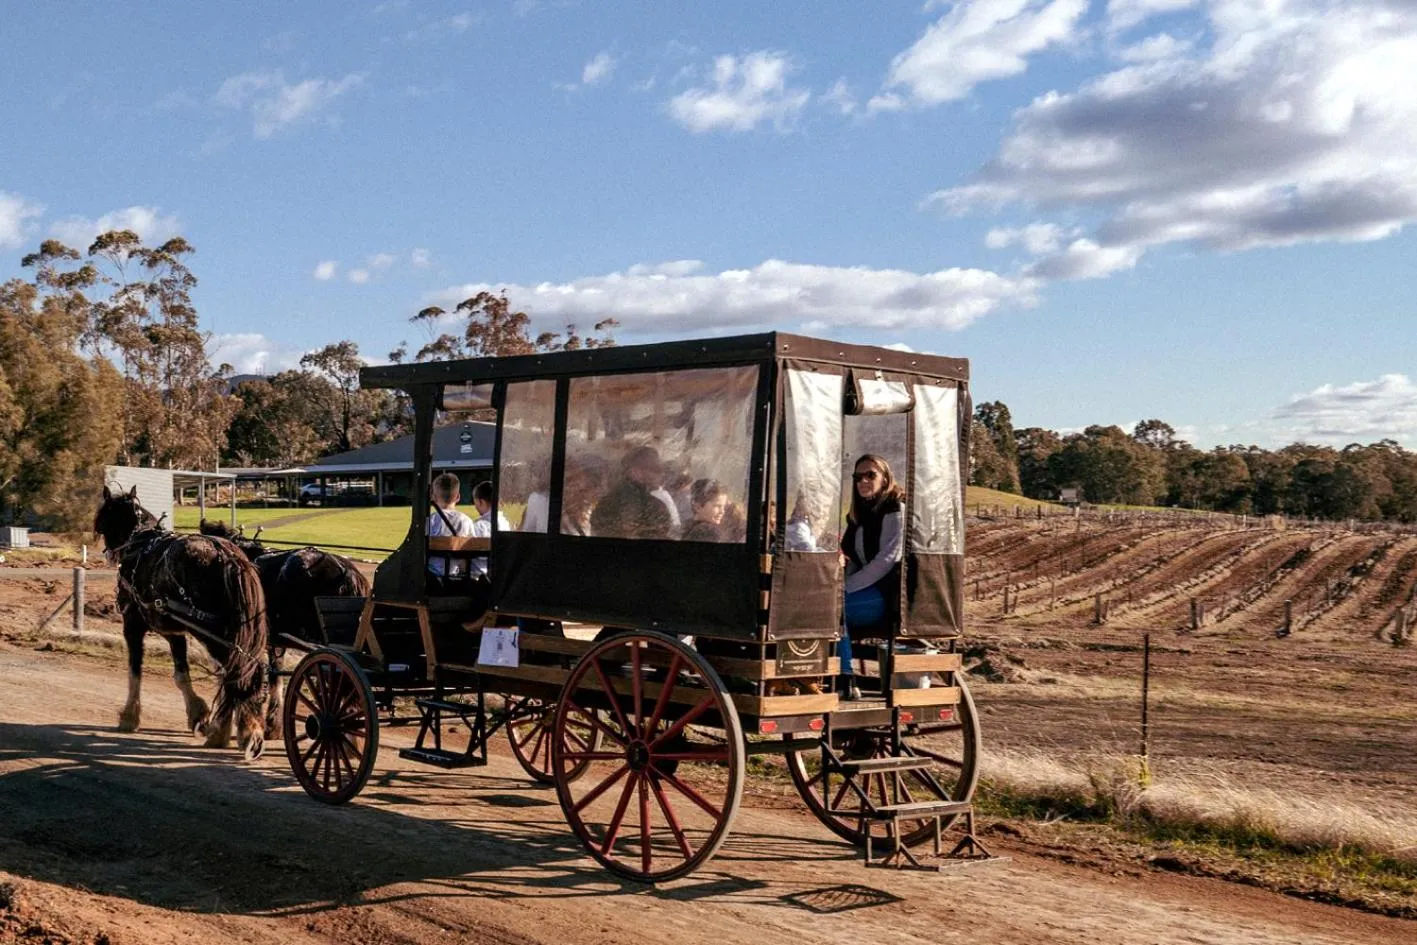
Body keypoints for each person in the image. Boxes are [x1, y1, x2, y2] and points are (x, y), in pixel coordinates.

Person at [837, 454, 906, 698]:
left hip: (887, 594)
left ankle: (844, 677)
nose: (863, 481)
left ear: (885, 478)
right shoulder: (858, 515)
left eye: (870, 475)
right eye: (858, 476)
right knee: (823, 605)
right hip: (865, 589)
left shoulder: (894, 507)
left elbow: (887, 560)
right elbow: (851, 558)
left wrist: (845, 590)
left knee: (836, 609)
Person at [590, 446, 675, 539]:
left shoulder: (610, 499)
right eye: (655, 470)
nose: (660, 474)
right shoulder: (644, 502)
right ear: (636, 471)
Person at [427, 472, 475, 584]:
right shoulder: (466, 521)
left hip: (431, 576)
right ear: (458, 497)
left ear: (433, 497)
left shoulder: (430, 520)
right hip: (455, 574)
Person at [469, 480, 511, 578]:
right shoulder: (506, 523)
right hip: (500, 575)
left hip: (477, 577)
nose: (475, 506)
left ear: (481, 502)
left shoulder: (478, 526)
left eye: (475, 502)